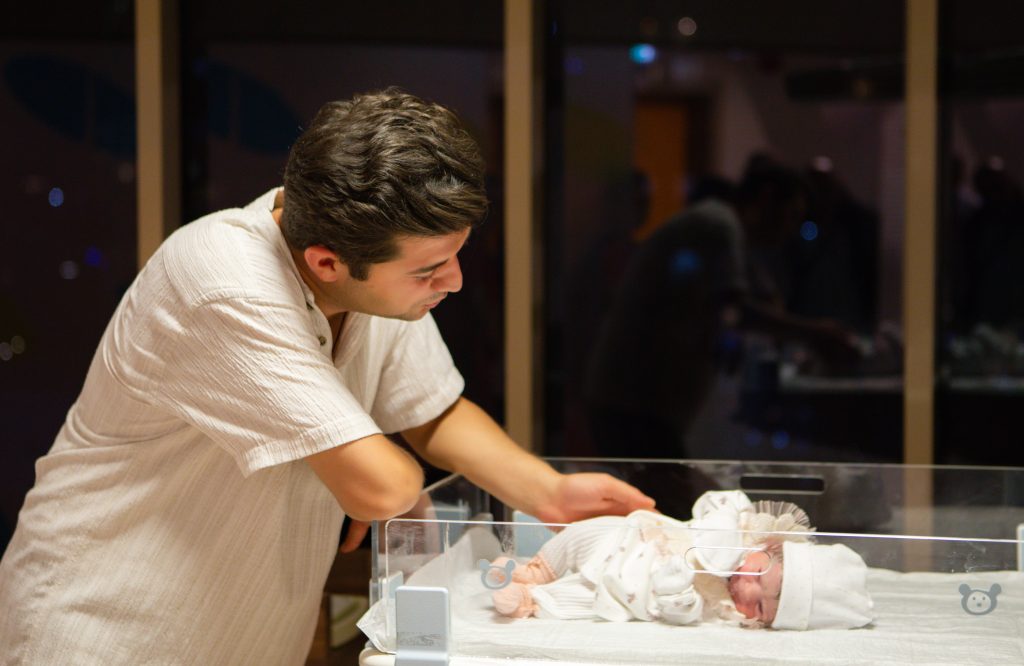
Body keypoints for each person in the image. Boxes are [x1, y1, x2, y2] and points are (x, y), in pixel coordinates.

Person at [0, 89, 655, 665]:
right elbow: (380, 486)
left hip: (242, 621)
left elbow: (431, 412)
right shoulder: (224, 284)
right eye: (430, 270)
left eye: (455, 256)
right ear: (327, 262)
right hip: (108, 623)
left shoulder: (369, 274)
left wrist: (547, 491)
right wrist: (373, 483)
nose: (454, 282)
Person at [584, 158, 861, 458]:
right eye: (791, 215)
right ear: (766, 198)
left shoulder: (724, 227)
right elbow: (734, 312)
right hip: (636, 403)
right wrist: (817, 334)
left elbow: (749, 303)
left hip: (636, 402)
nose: (791, 229)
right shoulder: (719, 225)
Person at [488, 490, 874, 631]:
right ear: (769, 546)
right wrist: (728, 524)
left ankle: (528, 600)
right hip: (634, 536)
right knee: (583, 534)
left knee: (587, 598)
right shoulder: (739, 527)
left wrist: (675, 590)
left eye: (759, 608)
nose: (747, 591)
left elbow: (684, 614)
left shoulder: (720, 609)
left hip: (630, 587)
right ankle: (535, 570)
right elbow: (711, 503)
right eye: (759, 574)